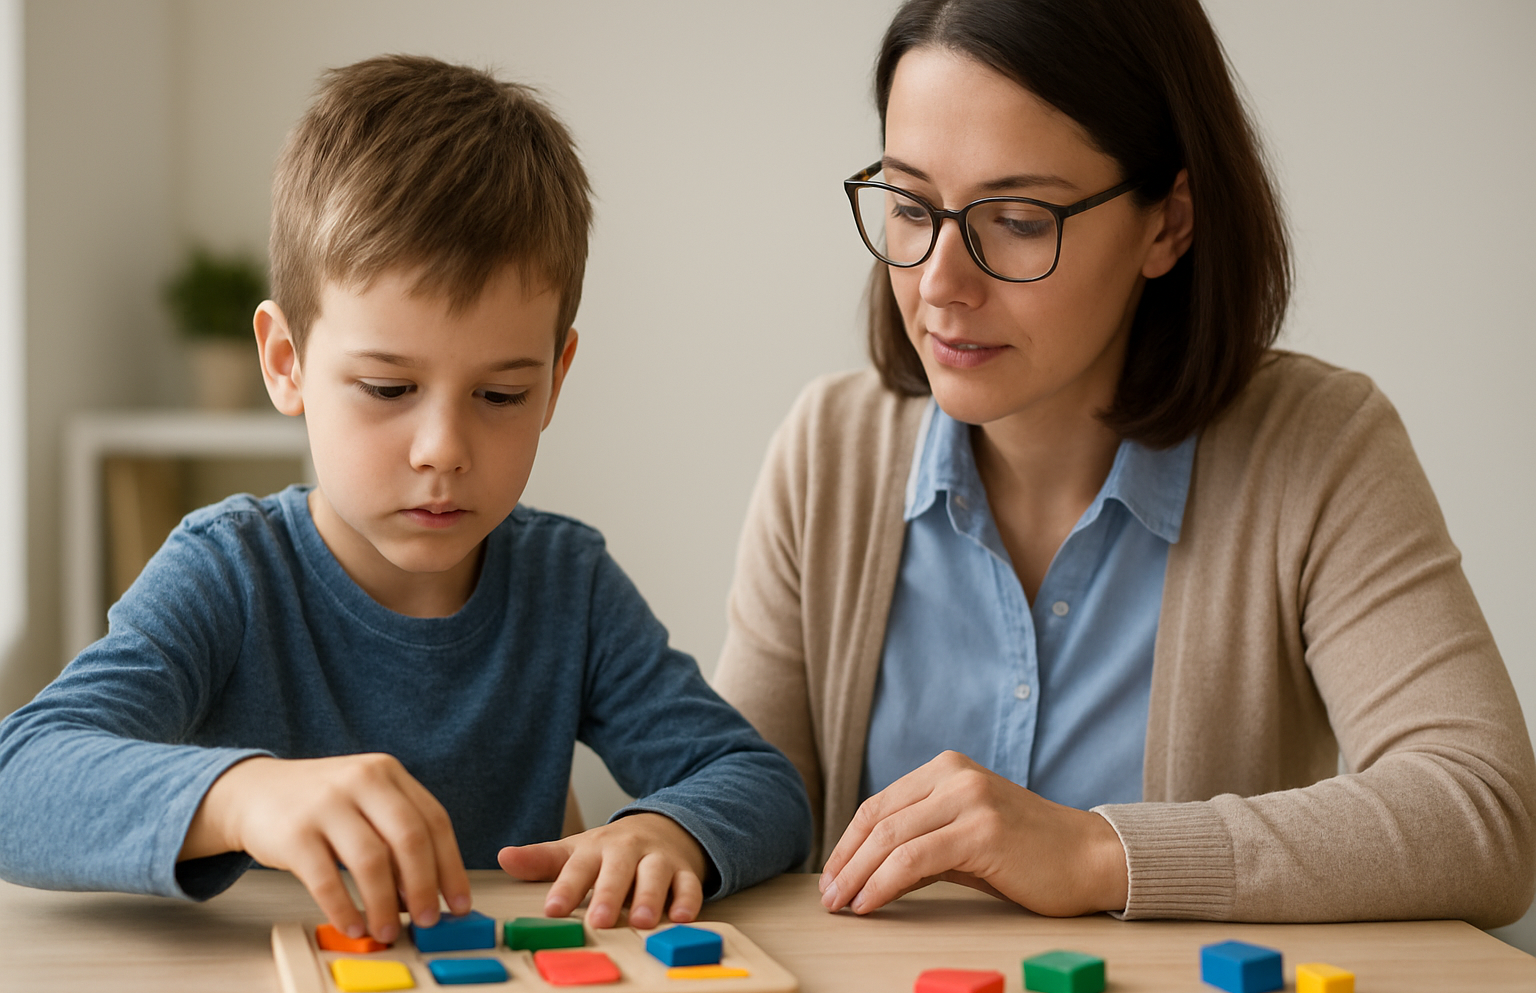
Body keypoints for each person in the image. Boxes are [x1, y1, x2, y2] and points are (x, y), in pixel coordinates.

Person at [713, 0, 1535, 927]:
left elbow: (1484, 815)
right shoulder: (830, 449)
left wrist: (1098, 852)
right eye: (909, 207)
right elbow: (742, 798)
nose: (941, 281)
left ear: (1167, 224)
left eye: (1017, 220)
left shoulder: (1318, 447)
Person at [0, 55, 811, 944]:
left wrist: (670, 830)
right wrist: (243, 795)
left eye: (500, 396)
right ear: (287, 363)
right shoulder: (229, 572)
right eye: (387, 389)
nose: (444, 451)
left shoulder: (566, 584)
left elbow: (759, 782)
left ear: (555, 379)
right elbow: (19, 779)